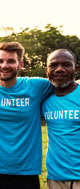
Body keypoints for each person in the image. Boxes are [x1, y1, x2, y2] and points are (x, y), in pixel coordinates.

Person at [0, 42, 53, 189]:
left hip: (25, 171)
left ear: (20, 64)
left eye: (11, 61)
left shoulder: (37, 86)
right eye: (0, 61)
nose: (4, 65)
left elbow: (68, 84)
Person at [42, 49, 80, 189]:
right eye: (53, 65)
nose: (59, 69)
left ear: (75, 68)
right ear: (47, 70)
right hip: (55, 177)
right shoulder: (43, 97)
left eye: (66, 64)